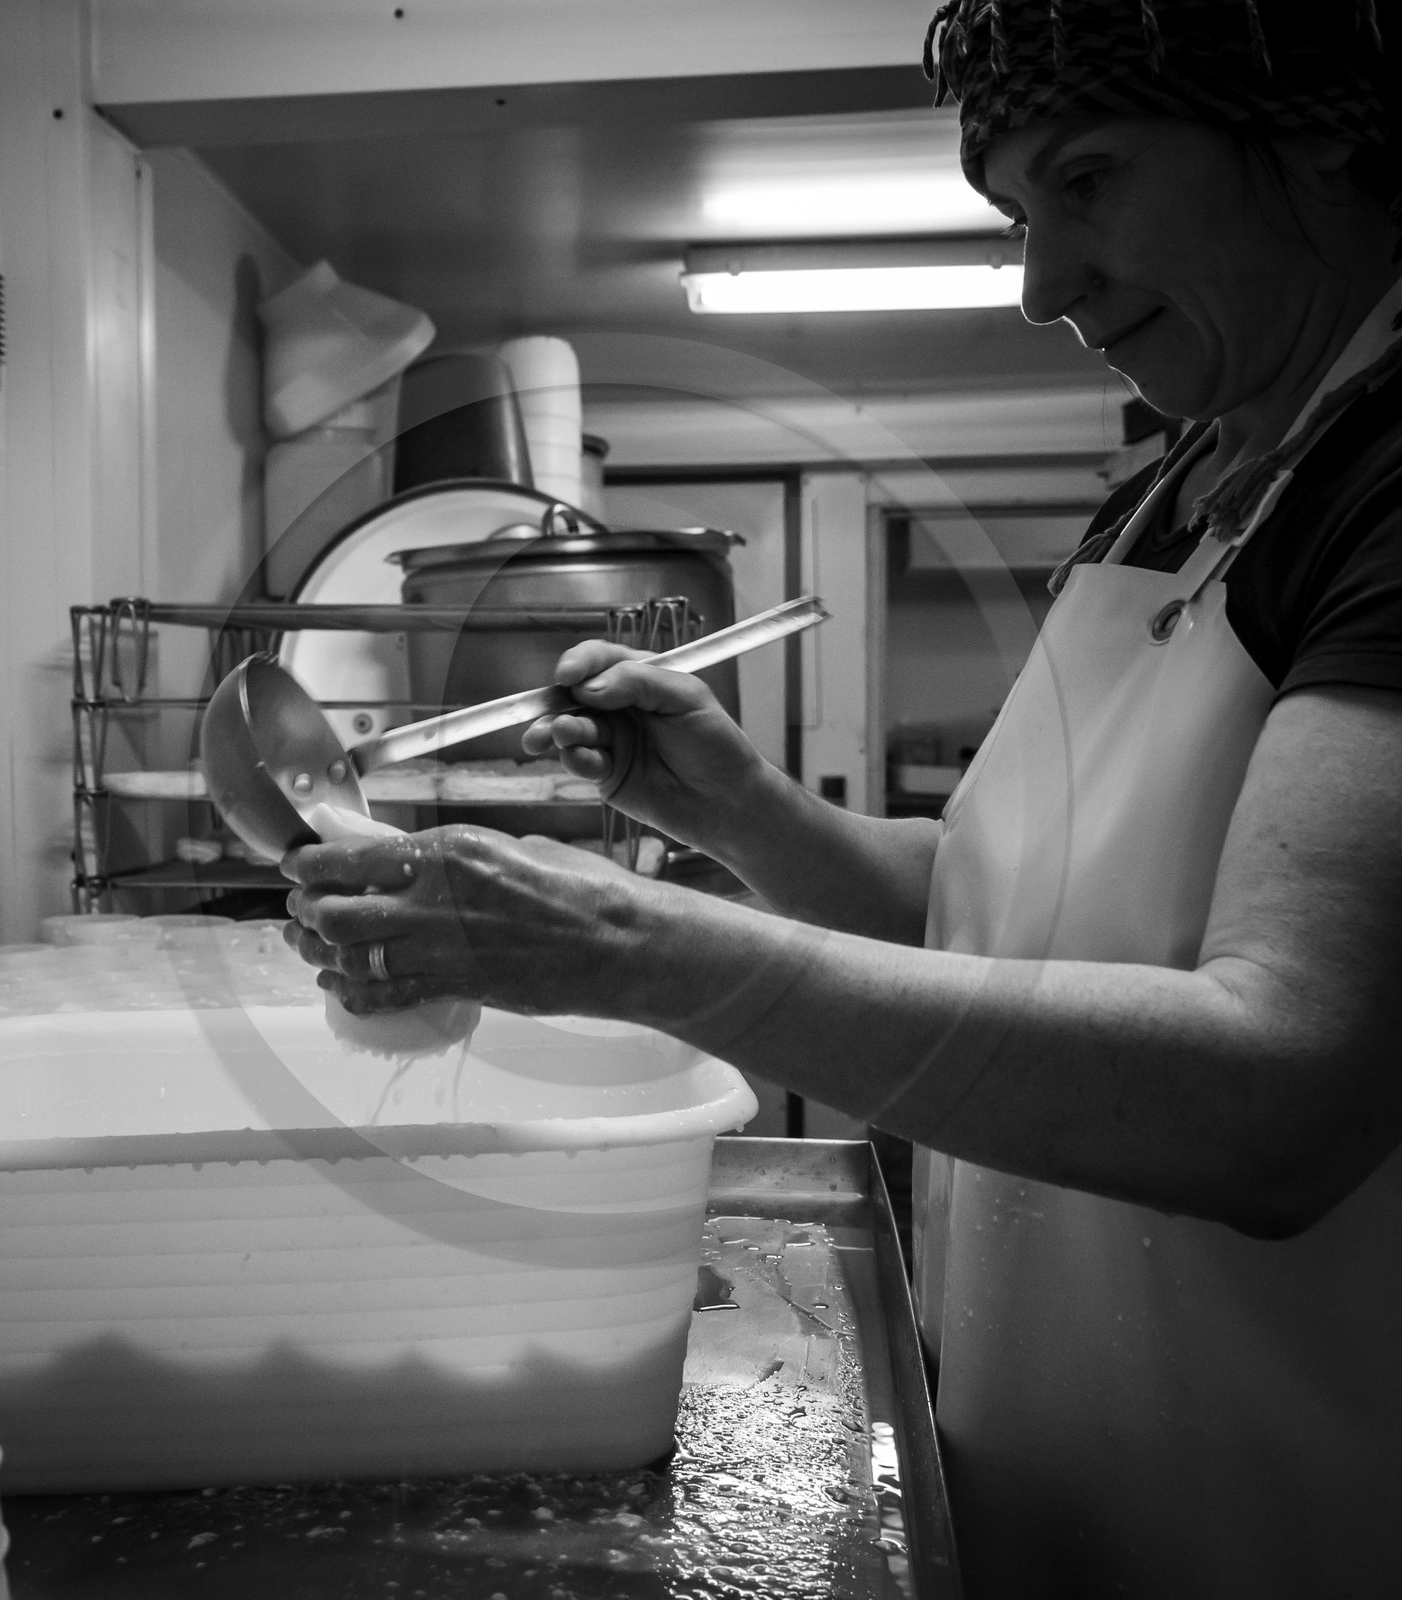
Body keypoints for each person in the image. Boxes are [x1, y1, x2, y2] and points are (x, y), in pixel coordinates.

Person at [283, 2, 1402, 1593]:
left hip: (1302, 1495)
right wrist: (732, 806)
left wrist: (630, 944)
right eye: (1021, 216)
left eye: (1092, 181)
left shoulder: (1381, 488)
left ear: (1320, 127)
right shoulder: (1184, 480)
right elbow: (997, 907)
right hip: (1065, 1437)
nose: (1044, 285)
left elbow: (1285, 1090)